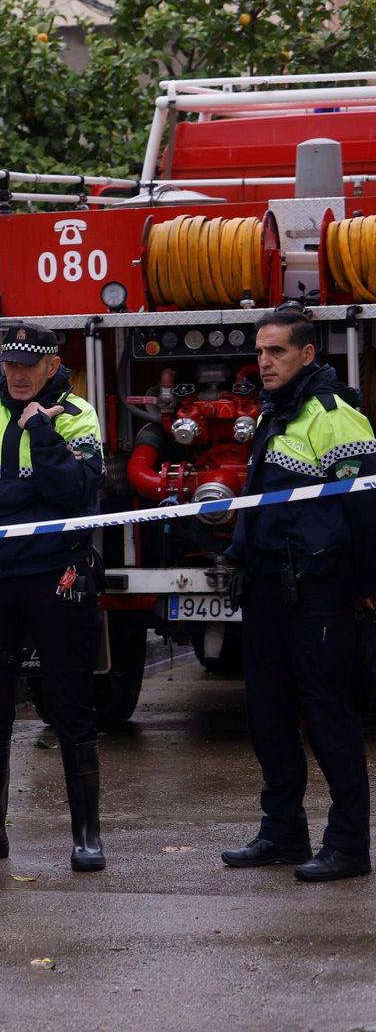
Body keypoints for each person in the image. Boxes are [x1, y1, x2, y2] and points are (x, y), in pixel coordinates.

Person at [0, 324, 107, 872]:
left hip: (54, 577)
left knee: (70, 706)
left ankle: (86, 836)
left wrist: (41, 433)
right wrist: (28, 495)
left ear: (52, 365)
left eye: (28, 365)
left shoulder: (78, 415)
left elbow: (74, 495)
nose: (16, 374)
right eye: (9, 364)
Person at [219, 302, 375, 883]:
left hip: (318, 593)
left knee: (328, 719)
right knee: (268, 717)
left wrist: (365, 588)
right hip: (266, 589)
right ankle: (283, 833)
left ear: (308, 353)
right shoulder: (273, 414)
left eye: (276, 351)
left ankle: (348, 846)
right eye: (260, 351)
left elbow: (365, 512)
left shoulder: (335, 416)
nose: (264, 361)